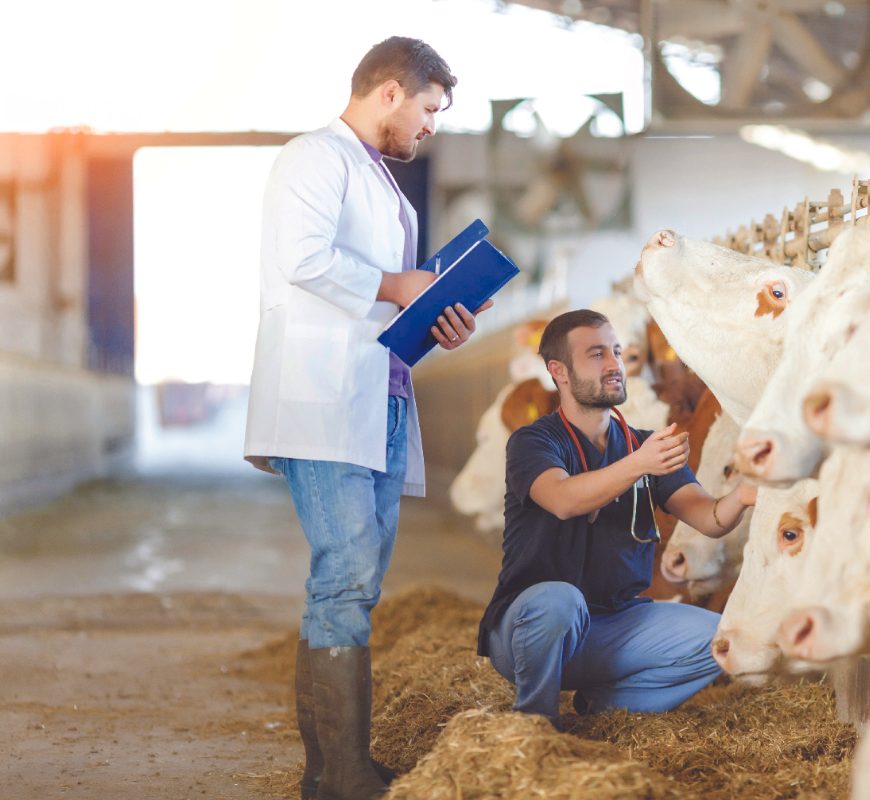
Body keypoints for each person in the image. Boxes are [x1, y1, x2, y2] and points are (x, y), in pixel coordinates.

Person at [244, 37, 485, 800]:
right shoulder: (314, 158)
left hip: (374, 397)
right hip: (322, 400)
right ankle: (340, 771)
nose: (431, 128)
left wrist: (435, 317)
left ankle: (331, 767)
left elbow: (385, 306)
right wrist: (402, 282)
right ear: (390, 92)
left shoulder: (379, 179)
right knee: (343, 579)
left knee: (353, 584)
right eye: (429, 109)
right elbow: (303, 259)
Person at [477, 309, 757, 728]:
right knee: (559, 600)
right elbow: (563, 499)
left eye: (616, 351)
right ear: (560, 372)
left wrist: (748, 492)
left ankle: (601, 711)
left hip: (613, 624)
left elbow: (710, 518)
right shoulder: (534, 441)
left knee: (719, 637)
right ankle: (534, 724)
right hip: (530, 630)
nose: (613, 365)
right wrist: (639, 465)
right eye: (596, 354)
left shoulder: (642, 445)